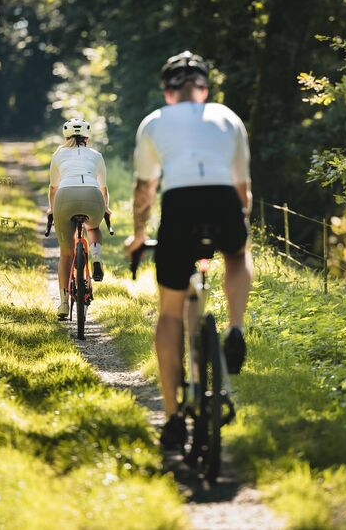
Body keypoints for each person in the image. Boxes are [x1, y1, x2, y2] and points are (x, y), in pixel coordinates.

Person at [125, 51, 253, 450]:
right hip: (222, 200)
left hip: (179, 206)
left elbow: (145, 190)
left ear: (167, 92)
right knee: (236, 252)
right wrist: (236, 221)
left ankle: (173, 417)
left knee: (169, 313)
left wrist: (138, 234)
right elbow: (242, 190)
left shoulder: (153, 123)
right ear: (205, 90)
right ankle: (235, 327)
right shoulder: (228, 117)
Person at [49, 117, 110, 319]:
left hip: (65, 197)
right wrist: (106, 208)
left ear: (65, 136)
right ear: (87, 137)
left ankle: (64, 303)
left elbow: (52, 188)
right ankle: (96, 256)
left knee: (66, 253)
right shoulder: (96, 155)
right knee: (92, 228)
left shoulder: (58, 156)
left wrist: (52, 209)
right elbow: (104, 188)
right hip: (92, 196)